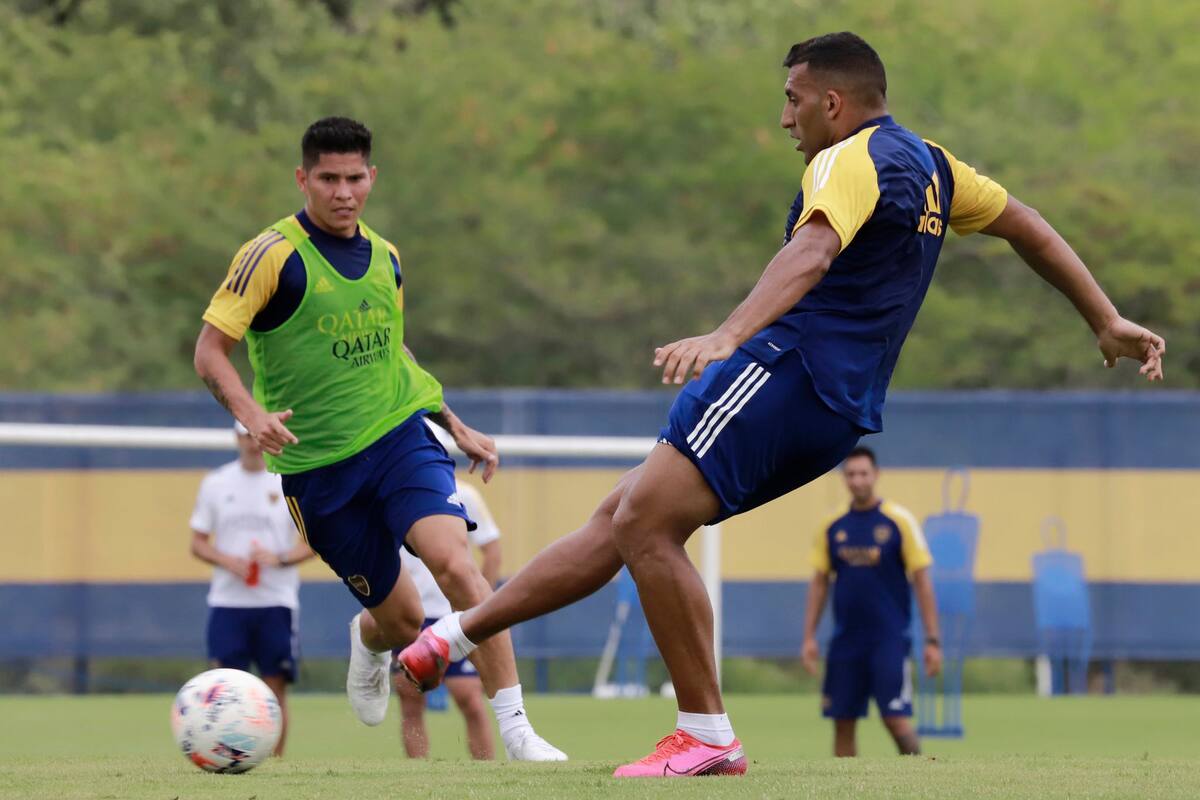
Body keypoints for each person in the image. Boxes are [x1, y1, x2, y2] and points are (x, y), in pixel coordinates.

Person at [398, 31, 1166, 778]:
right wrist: (1103, 316)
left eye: (793, 100)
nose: (784, 118)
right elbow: (1025, 224)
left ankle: (705, 733)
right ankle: (455, 635)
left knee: (641, 523)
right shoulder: (934, 164)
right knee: (626, 516)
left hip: (787, 371)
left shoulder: (849, 157)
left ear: (834, 102)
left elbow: (812, 250)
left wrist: (729, 333)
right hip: (838, 407)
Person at [192, 116, 565, 761]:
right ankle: (368, 641)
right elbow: (209, 351)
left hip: (398, 437)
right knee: (402, 624)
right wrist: (252, 413)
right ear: (303, 178)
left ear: (372, 178)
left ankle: (518, 731)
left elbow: (395, 355)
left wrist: (454, 423)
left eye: (355, 178)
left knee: (457, 566)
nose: (343, 192)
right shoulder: (270, 257)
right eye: (329, 179)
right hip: (319, 471)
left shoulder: (387, 257)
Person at [802, 446, 939, 757]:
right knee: (842, 720)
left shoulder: (898, 521)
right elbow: (820, 581)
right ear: (844, 478)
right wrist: (809, 636)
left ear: (875, 475)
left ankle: (921, 776)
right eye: (851, 474)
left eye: (863, 473)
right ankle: (847, 787)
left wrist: (932, 640)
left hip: (888, 639)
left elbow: (922, 580)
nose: (857, 480)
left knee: (896, 719)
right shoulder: (832, 525)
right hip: (846, 641)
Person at [189, 421, 315, 756]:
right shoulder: (216, 483)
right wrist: (225, 559)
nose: (251, 442)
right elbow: (198, 543)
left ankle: (274, 762)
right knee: (224, 690)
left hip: (276, 602)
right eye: (245, 435)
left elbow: (312, 542)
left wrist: (280, 557)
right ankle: (224, 757)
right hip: (228, 602)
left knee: (274, 690)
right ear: (236, 438)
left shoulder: (287, 480)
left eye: (255, 435)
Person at [393, 480, 502, 760]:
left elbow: (491, 548)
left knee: (470, 698)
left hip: (453, 613)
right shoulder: (390, 489)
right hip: (410, 612)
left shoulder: (464, 494)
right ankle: (419, 777)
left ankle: (487, 773)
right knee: (410, 698)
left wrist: (480, 605)